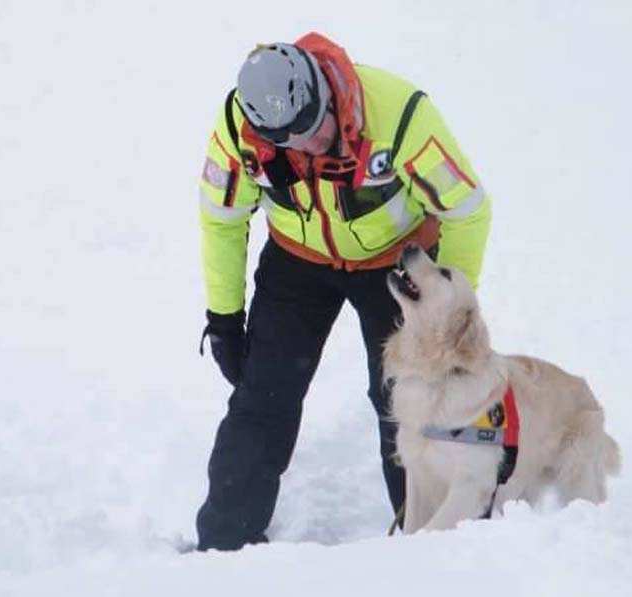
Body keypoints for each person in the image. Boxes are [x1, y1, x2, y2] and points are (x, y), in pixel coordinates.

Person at [196, 32, 491, 551]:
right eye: (293, 142)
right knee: (262, 397)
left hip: (396, 266)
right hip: (298, 263)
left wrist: (444, 311)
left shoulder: (400, 115)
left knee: (408, 399)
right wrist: (224, 318)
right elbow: (221, 216)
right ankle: (225, 547)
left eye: (315, 131)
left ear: (326, 96)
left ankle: (435, 543)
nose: (310, 146)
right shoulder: (241, 130)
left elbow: (467, 210)